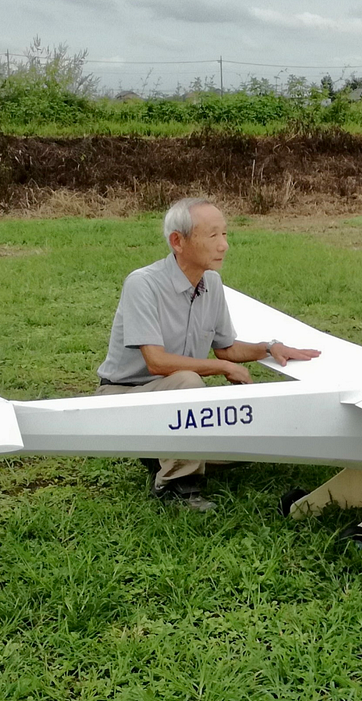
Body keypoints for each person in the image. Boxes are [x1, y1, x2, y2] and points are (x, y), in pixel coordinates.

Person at [97, 198, 320, 511]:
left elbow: (226, 347)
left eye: (226, 235)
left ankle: (164, 452)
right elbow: (157, 362)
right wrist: (220, 367)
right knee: (188, 382)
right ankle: (177, 488)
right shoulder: (142, 284)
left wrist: (268, 348)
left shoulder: (211, 283)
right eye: (214, 235)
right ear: (178, 241)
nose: (224, 245)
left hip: (170, 397)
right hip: (124, 395)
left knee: (247, 447)